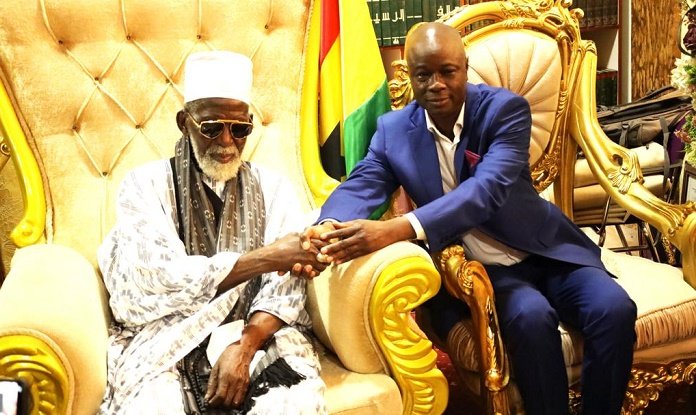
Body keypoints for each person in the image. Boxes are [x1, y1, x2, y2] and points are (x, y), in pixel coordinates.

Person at [303, 22, 637, 415]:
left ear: (465, 67)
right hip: (484, 269)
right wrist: (327, 227)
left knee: (615, 309)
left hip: (547, 251)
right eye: (423, 74)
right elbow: (361, 185)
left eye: (447, 71)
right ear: (409, 75)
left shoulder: (504, 110)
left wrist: (398, 228)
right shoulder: (394, 132)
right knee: (531, 320)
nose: (436, 84)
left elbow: (486, 190)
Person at [98, 50, 327, 414]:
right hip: (166, 340)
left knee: (288, 403)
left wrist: (245, 345)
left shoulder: (275, 188)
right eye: (211, 127)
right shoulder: (144, 185)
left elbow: (285, 289)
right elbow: (158, 278)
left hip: (255, 335)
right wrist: (269, 257)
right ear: (184, 122)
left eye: (239, 129)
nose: (226, 141)